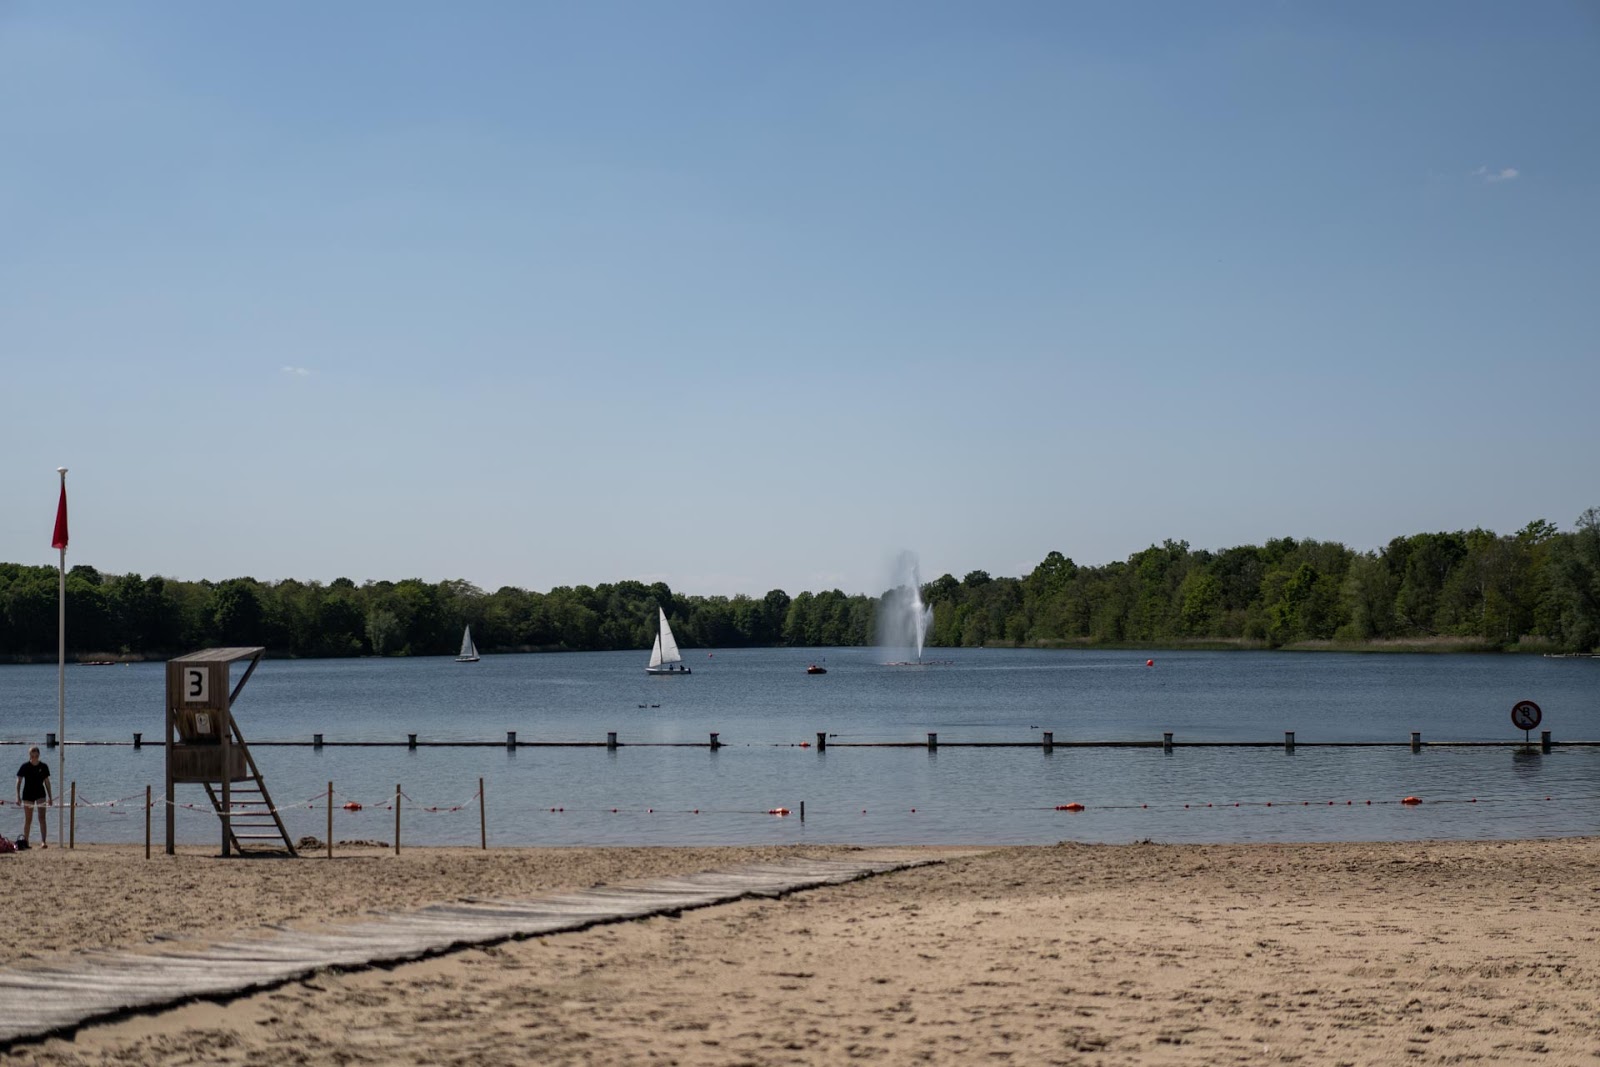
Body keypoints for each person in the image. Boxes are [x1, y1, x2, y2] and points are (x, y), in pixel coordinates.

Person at [16, 746, 51, 849]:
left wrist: (50, 797)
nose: (34, 757)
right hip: (28, 795)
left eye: (36, 755)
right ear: (29, 756)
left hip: (40, 794)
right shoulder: (25, 766)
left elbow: (47, 782)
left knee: (42, 818)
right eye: (32, 756)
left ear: (38, 755)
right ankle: (26, 841)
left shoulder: (44, 766)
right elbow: (19, 781)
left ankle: (43, 841)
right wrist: (18, 797)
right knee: (28, 819)